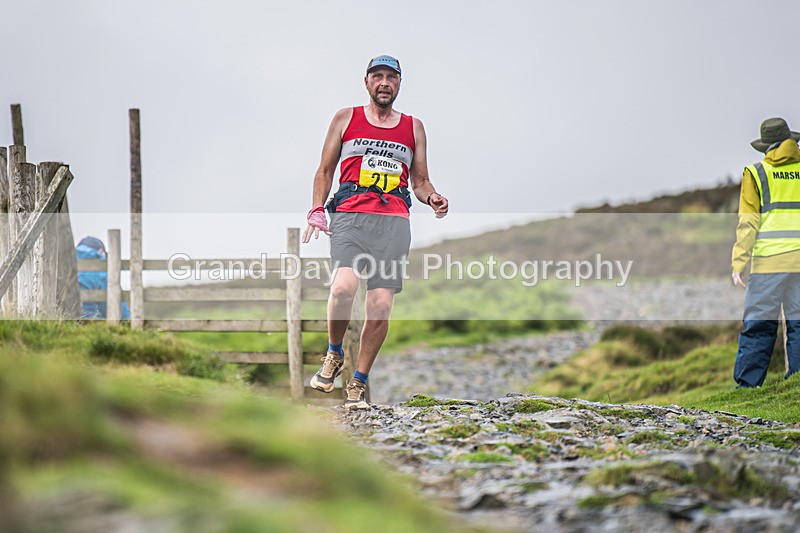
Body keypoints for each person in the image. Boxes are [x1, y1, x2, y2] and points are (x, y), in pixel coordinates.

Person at [302, 55, 449, 409]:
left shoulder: (414, 127)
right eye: (378, 76)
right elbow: (324, 170)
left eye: (391, 77)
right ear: (366, 83)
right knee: (342, 287)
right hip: (350, 216)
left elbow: (420, 180)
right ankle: (334, 354)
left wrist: (433, 197)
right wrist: (317, 209)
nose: (385, 83)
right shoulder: (345, 118)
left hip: (393, 221)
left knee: (380, 304)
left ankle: (358, 382)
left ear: (399, 84)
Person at [731, 117, 800, 388]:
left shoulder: (756, 173)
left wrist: (739, 262)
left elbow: (748, 222)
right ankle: (796, 384)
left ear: (766, 148)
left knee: (759, 326)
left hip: (769, 263)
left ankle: (747, 387)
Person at [77, 236, 131, 320]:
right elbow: (120, 310)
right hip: (93, 324)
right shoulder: (102, 274)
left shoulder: (66, 266)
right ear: (101, 251)